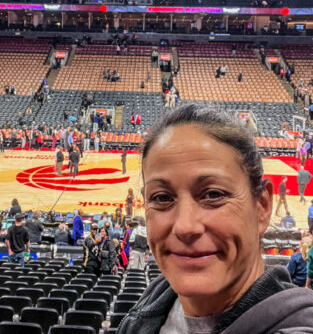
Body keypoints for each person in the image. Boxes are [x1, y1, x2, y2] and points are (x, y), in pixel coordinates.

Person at [118, 103, 313, 334]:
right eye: (161, 198)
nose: (185, 226)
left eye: (213, 194)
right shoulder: (148, 308)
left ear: (261, 206)